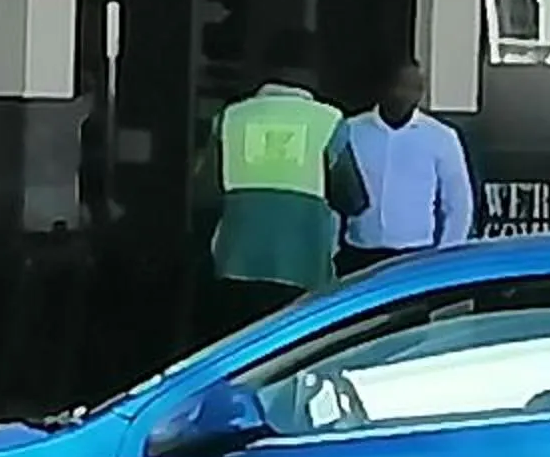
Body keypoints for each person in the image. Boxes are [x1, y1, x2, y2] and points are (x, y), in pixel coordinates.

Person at [201, 29, 345, 316]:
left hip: (236, 262)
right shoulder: (329, 119)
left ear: (265, 69)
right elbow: (354, 198)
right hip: (305, 267)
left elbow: (203, 194)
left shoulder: (231, 117)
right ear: (315, 72)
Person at [330, 57, 475, 276]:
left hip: (416, 256)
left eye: (415, 88)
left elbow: (458, 203)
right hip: (359, 255)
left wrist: (445, 258)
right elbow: (335, 197)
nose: (405, 94)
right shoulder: (352, 130)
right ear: (382, 88)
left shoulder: (441, 136)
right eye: (399, 85)